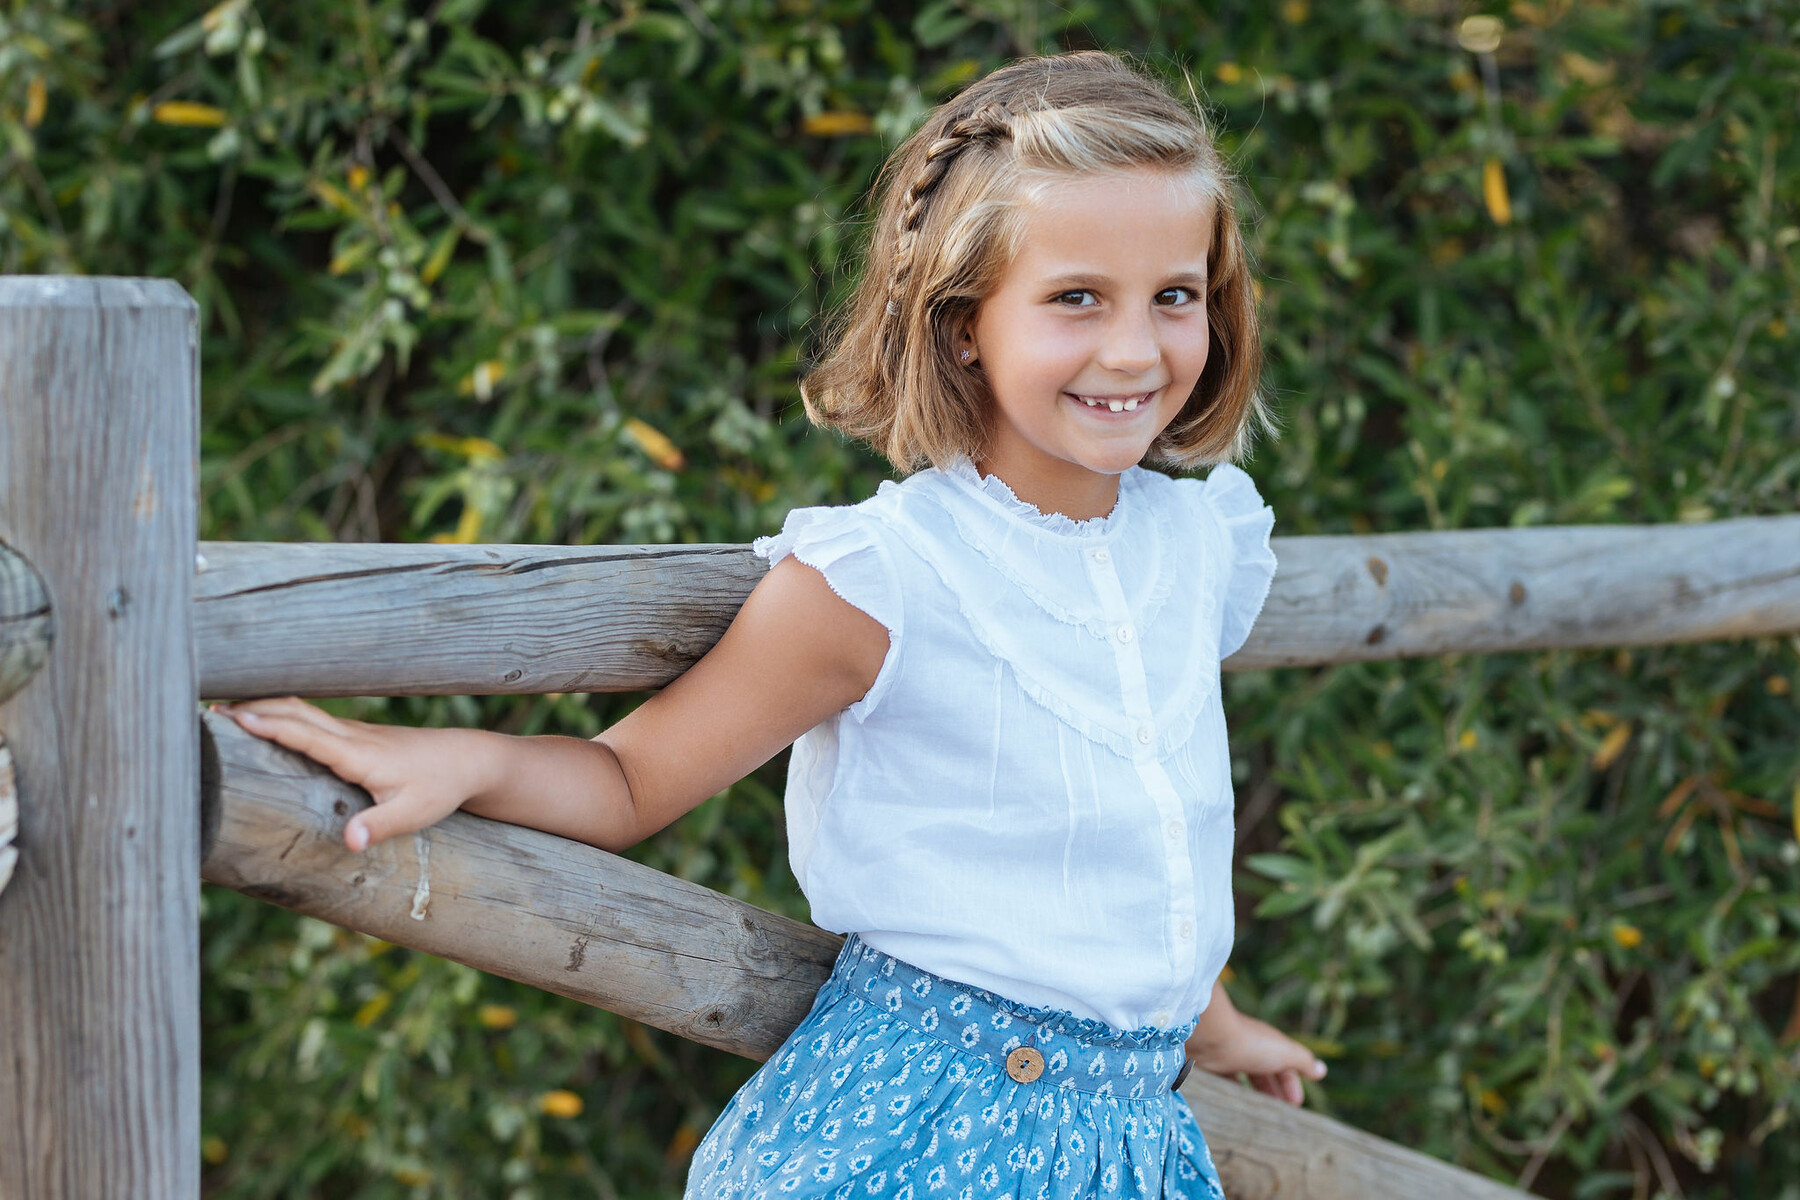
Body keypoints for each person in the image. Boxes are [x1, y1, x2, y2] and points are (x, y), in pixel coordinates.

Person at [218, 49, 1327, 1200]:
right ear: (962, 326)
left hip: (1127, 1146)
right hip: (921, 1134)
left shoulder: (1192, 547)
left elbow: (1134, 852)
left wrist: (1209, 1020)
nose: (1135, 349)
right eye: (1075, 298)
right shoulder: (888, 574)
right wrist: (455, 756)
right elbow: (626, 782)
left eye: (1175, 297)